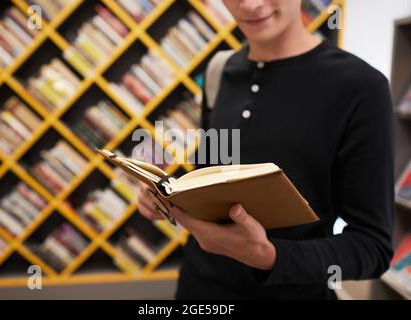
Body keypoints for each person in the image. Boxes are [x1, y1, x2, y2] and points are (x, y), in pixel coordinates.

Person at [137, 0, 394, 299]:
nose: (250, 5)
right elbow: (209, 175)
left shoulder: (361, 88)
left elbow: (372, 247)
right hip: (197, 288)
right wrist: (168, 198)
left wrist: (268, 256)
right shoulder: (220, 70)